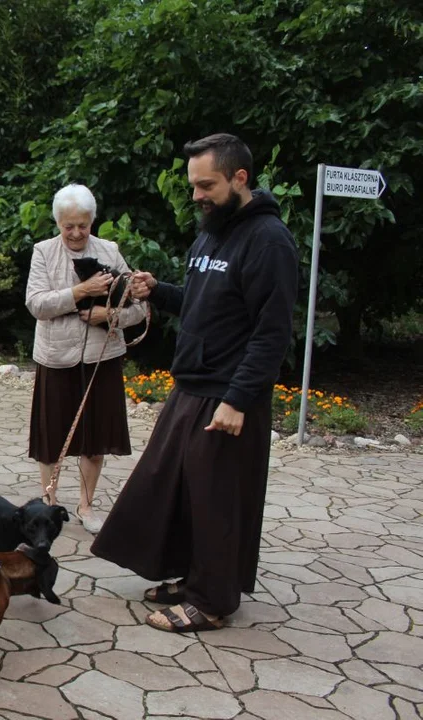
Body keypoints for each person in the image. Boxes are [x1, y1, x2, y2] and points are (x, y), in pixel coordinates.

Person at [91, 133, 298, 633]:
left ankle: (211, 600)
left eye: (206, 184)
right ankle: (191, 575)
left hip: (227, 396)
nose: (197, 195)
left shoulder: (268, 241)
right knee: (178, 490)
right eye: (193, 185)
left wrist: (239, 399)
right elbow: (207, 303)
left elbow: (272, 333)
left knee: (218, 501)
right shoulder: (212, 232)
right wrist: (158, 291)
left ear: (239, 178)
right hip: (193, 388)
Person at [25, 184, 147, 534]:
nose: (76, 233)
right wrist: (81, 291)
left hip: (102, 358)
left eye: (83, 225)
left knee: (95, 438)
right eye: (69, 226)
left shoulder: (110, 250)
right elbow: (36, 304)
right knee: (51, 438)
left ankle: (86, 504)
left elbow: (138, 307)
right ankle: (48, 505)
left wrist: (106, 315)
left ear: (92, 221)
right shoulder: (44, 252)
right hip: (55, 357)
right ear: (58, 223)